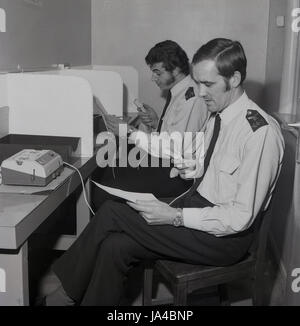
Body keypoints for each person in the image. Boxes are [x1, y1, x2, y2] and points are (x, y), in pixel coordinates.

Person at [46, 38, 284, 306]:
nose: (201, 91)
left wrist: (175, 216)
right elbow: (185, 149)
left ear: (235, 78)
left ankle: (63, 295)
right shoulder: (220, 116)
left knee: (112, 212)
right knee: (115, 247)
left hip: (223, 239)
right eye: (198, 82)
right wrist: (192, 167)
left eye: (208, 84)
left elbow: (239, 218)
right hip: (197, 210)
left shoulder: (259, 133)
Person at [92, 40, 208, 209]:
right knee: (109, 169)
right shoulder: (180, 92)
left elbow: (175, 148)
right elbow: (174, 133)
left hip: (177, 175)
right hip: (166, 163)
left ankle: (115, 225)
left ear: (175, 70)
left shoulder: (191, 98)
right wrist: (155, 123)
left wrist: (129, 131)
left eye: (157, 72)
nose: (153, 78)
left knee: (104, 188)